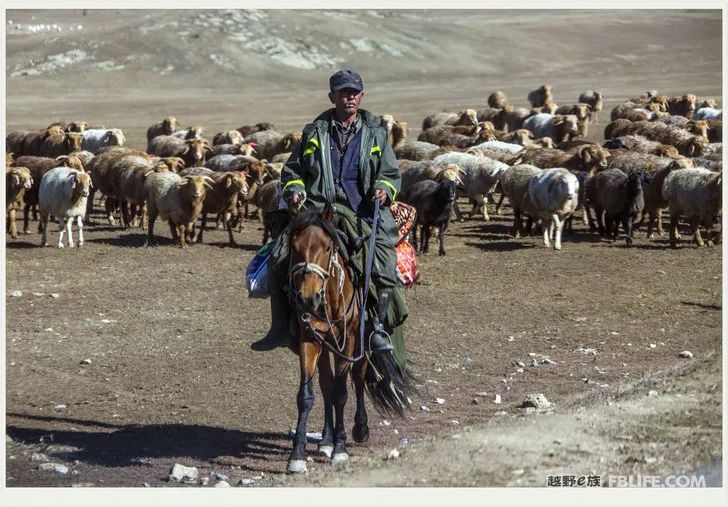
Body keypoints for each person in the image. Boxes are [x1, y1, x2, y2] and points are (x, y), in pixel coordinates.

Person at [251, 69, 404, 354]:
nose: (349, 97)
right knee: (279, 256)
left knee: (383, 262)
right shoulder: (314, 133)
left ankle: (380, 327)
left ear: (361, 96)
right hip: (318, 211)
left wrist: (383, 188)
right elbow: (293, 170)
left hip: (362, 212)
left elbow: (390, 173)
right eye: (343, 92)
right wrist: (295, 190)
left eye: (354, 92)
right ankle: (281, 328)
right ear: (332, 96)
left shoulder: (376, 134)